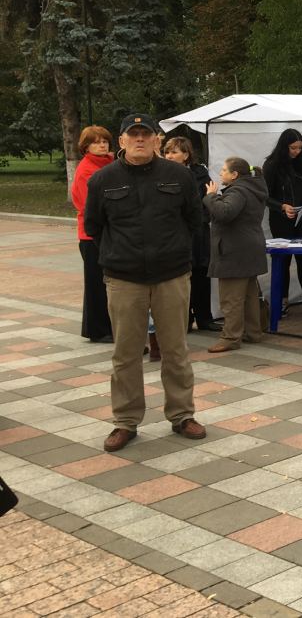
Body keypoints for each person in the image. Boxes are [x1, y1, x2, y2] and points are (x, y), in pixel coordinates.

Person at [83, 113, 206, 452]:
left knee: (176, 350)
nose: (139, 140)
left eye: (145, 134)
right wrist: (120, 254)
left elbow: (195, 220)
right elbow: (94, 227)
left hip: (172, 276)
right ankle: (125, 421)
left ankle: (182, 415)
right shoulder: (102, 179)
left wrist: (173, 252)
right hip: (124, 279)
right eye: (132, 135)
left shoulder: (179, 176)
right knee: (125, 355)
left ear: (156, 140)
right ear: (121, 141)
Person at [204, 157, 269, 352]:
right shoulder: (252, 188)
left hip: (234, 251)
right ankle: (253, 332)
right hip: (249, 248)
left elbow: (225, 212)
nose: (221, 173)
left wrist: (211, 196)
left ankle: (230, 337)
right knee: (249, 296)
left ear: (235, 175)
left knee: (231, 298)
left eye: (224, 170)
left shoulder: (238, 191)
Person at [162, 137, 221, 333]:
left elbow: (208, 202)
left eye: (174, 152)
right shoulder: (161, 173)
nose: (169, 156)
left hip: (198, 233)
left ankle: (205, 318)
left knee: (201, 275)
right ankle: (184, 319)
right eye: (167, 152)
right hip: (175, 233)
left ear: (186, 155)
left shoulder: (200, 174)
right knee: (180, 278)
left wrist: (198, 220)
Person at [262, 129, 302, 313]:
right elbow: (264, 195)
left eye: (300, 148)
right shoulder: (271, 165)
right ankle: (283, 300)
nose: (296, 151)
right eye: (293, 148)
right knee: (283, 259)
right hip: (281, 220)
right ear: (284, 146)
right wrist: (282, 206)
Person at [71, 125, 114, 343]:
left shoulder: (107, 162)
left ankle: (108, 326)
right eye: (96, 142)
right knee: (96, 284)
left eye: (105, 141)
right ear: (86, 146)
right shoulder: (87, 170)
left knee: (106, 283)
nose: (102, 145)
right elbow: (89, 206)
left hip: (107, 232)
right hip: (92, 235)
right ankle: (98, 330)